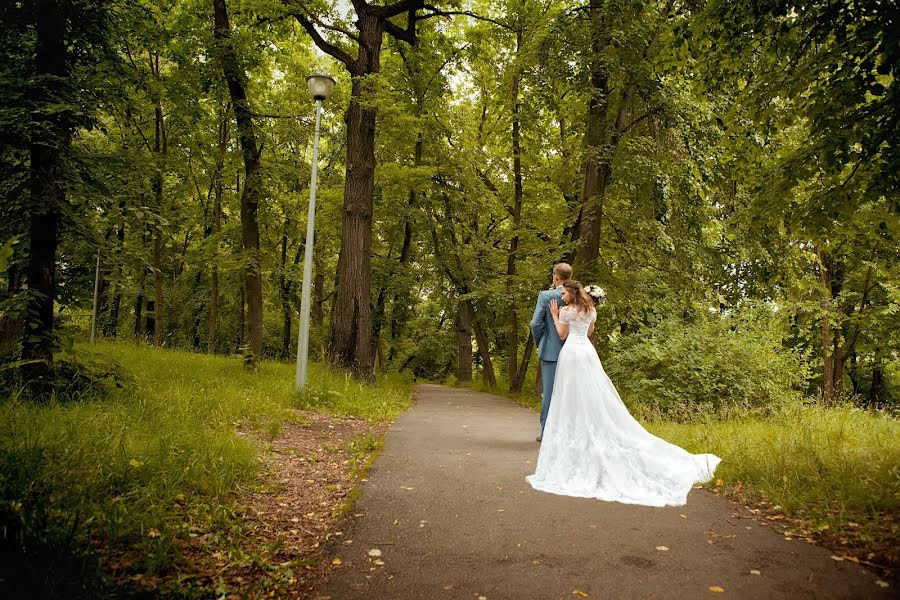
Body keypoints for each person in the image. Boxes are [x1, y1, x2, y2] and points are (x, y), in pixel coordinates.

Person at [526, 279, 720, 507]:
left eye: (564, 294)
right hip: (587, 354)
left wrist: (556, 315)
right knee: (592, 393)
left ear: (570, 293)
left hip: (572, 355)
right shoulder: (590, 310)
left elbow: (561, 335)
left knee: (571, 395)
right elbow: (588, 332)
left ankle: (578, 432)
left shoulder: (566, 310)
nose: (562, 297)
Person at [529, 262, 573, 442]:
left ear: (556, 277)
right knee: (572, 392)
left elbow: (535, 324)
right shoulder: (579, 295)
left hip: (551, 352)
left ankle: (547, 431)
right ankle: (570, 432)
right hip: (575, 352)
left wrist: (541, 342)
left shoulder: (546, 296)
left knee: (549, 393)